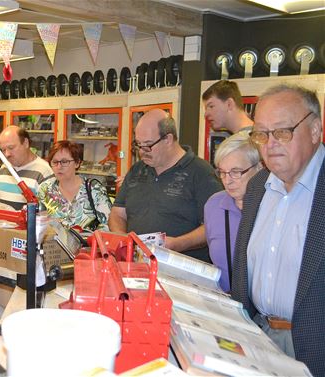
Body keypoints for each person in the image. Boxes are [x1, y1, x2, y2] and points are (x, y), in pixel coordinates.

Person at [231, 84, 325, 376]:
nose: (270, 144)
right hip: (258, 338)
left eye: (283, 132)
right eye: (261, 134)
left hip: (314, 349)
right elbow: (244, 269)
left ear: (315, 130)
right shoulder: (258, 187)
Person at [108, 109, 222, 262]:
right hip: (137, 266)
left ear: (168, 139)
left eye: (148, 145)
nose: (141, 152)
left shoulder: (200, 172)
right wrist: (122, 238)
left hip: (180, 270)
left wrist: (177, 244)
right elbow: (117, 214)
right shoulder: (137, 170)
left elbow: (214, 226)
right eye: (138, 145)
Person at [204, 133, 262, 292]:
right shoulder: (213, 206)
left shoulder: (272, 207)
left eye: (236, 172)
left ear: (259, 168)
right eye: (222, 172)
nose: (227, 180)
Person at [38, 141, 112, 232]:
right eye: (55, 162)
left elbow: (109, 224)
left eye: (64, 162)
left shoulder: (94, 188)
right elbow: (37, 221)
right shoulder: (45, 188)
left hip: (87, 244)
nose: (59, 166)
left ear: (77, 163)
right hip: (52, 245)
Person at [0, 126, 53, 210]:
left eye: (11, 148)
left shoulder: (45, 171)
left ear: (25, 143)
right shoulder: (4, 167)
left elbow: (51, 213)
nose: (7, 154)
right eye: (3, 150)